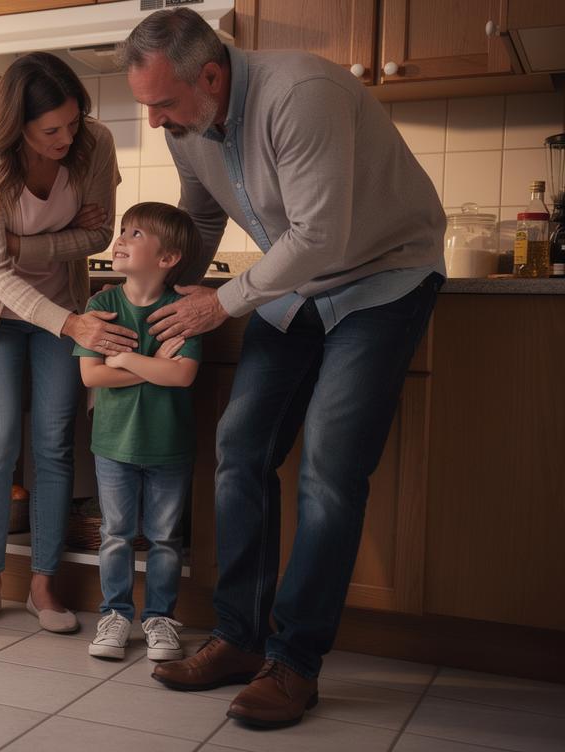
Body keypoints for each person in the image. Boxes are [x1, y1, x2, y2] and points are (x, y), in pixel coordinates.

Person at [122, 9, 445, 728]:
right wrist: (163, 302)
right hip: (292, 285)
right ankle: (239, 638)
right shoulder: (188, 127)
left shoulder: (302, 94)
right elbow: (201, 220)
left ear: (212, 75)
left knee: (330, 469)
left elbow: (321, 234)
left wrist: (223, 304)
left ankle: (295, 663)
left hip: (381, 279)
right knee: (240, 449)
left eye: (163, 104)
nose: (154, 122)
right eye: (146, 105)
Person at [0, 51, 129, 633]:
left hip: (63, 305)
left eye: (72, 123)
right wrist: (61, 249)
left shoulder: (94, 145)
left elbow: (102, 233)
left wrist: (29, 248)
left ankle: (44, 588)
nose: (65, 137)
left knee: (53, 442)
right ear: (16, 126)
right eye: (50, 129)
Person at [75, 202, 202, 663]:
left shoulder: (185, 310)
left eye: (135, 234)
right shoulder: (101, 304)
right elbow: (92, 376)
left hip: (170, 446)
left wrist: (126, 360)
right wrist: (156, 366)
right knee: (116, 533)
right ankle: (115, 614)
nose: (120, 239)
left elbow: (184, 376)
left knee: (166, 538)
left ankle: (161, 619)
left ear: (167, 258)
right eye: (122, 231)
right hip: (113, 445)